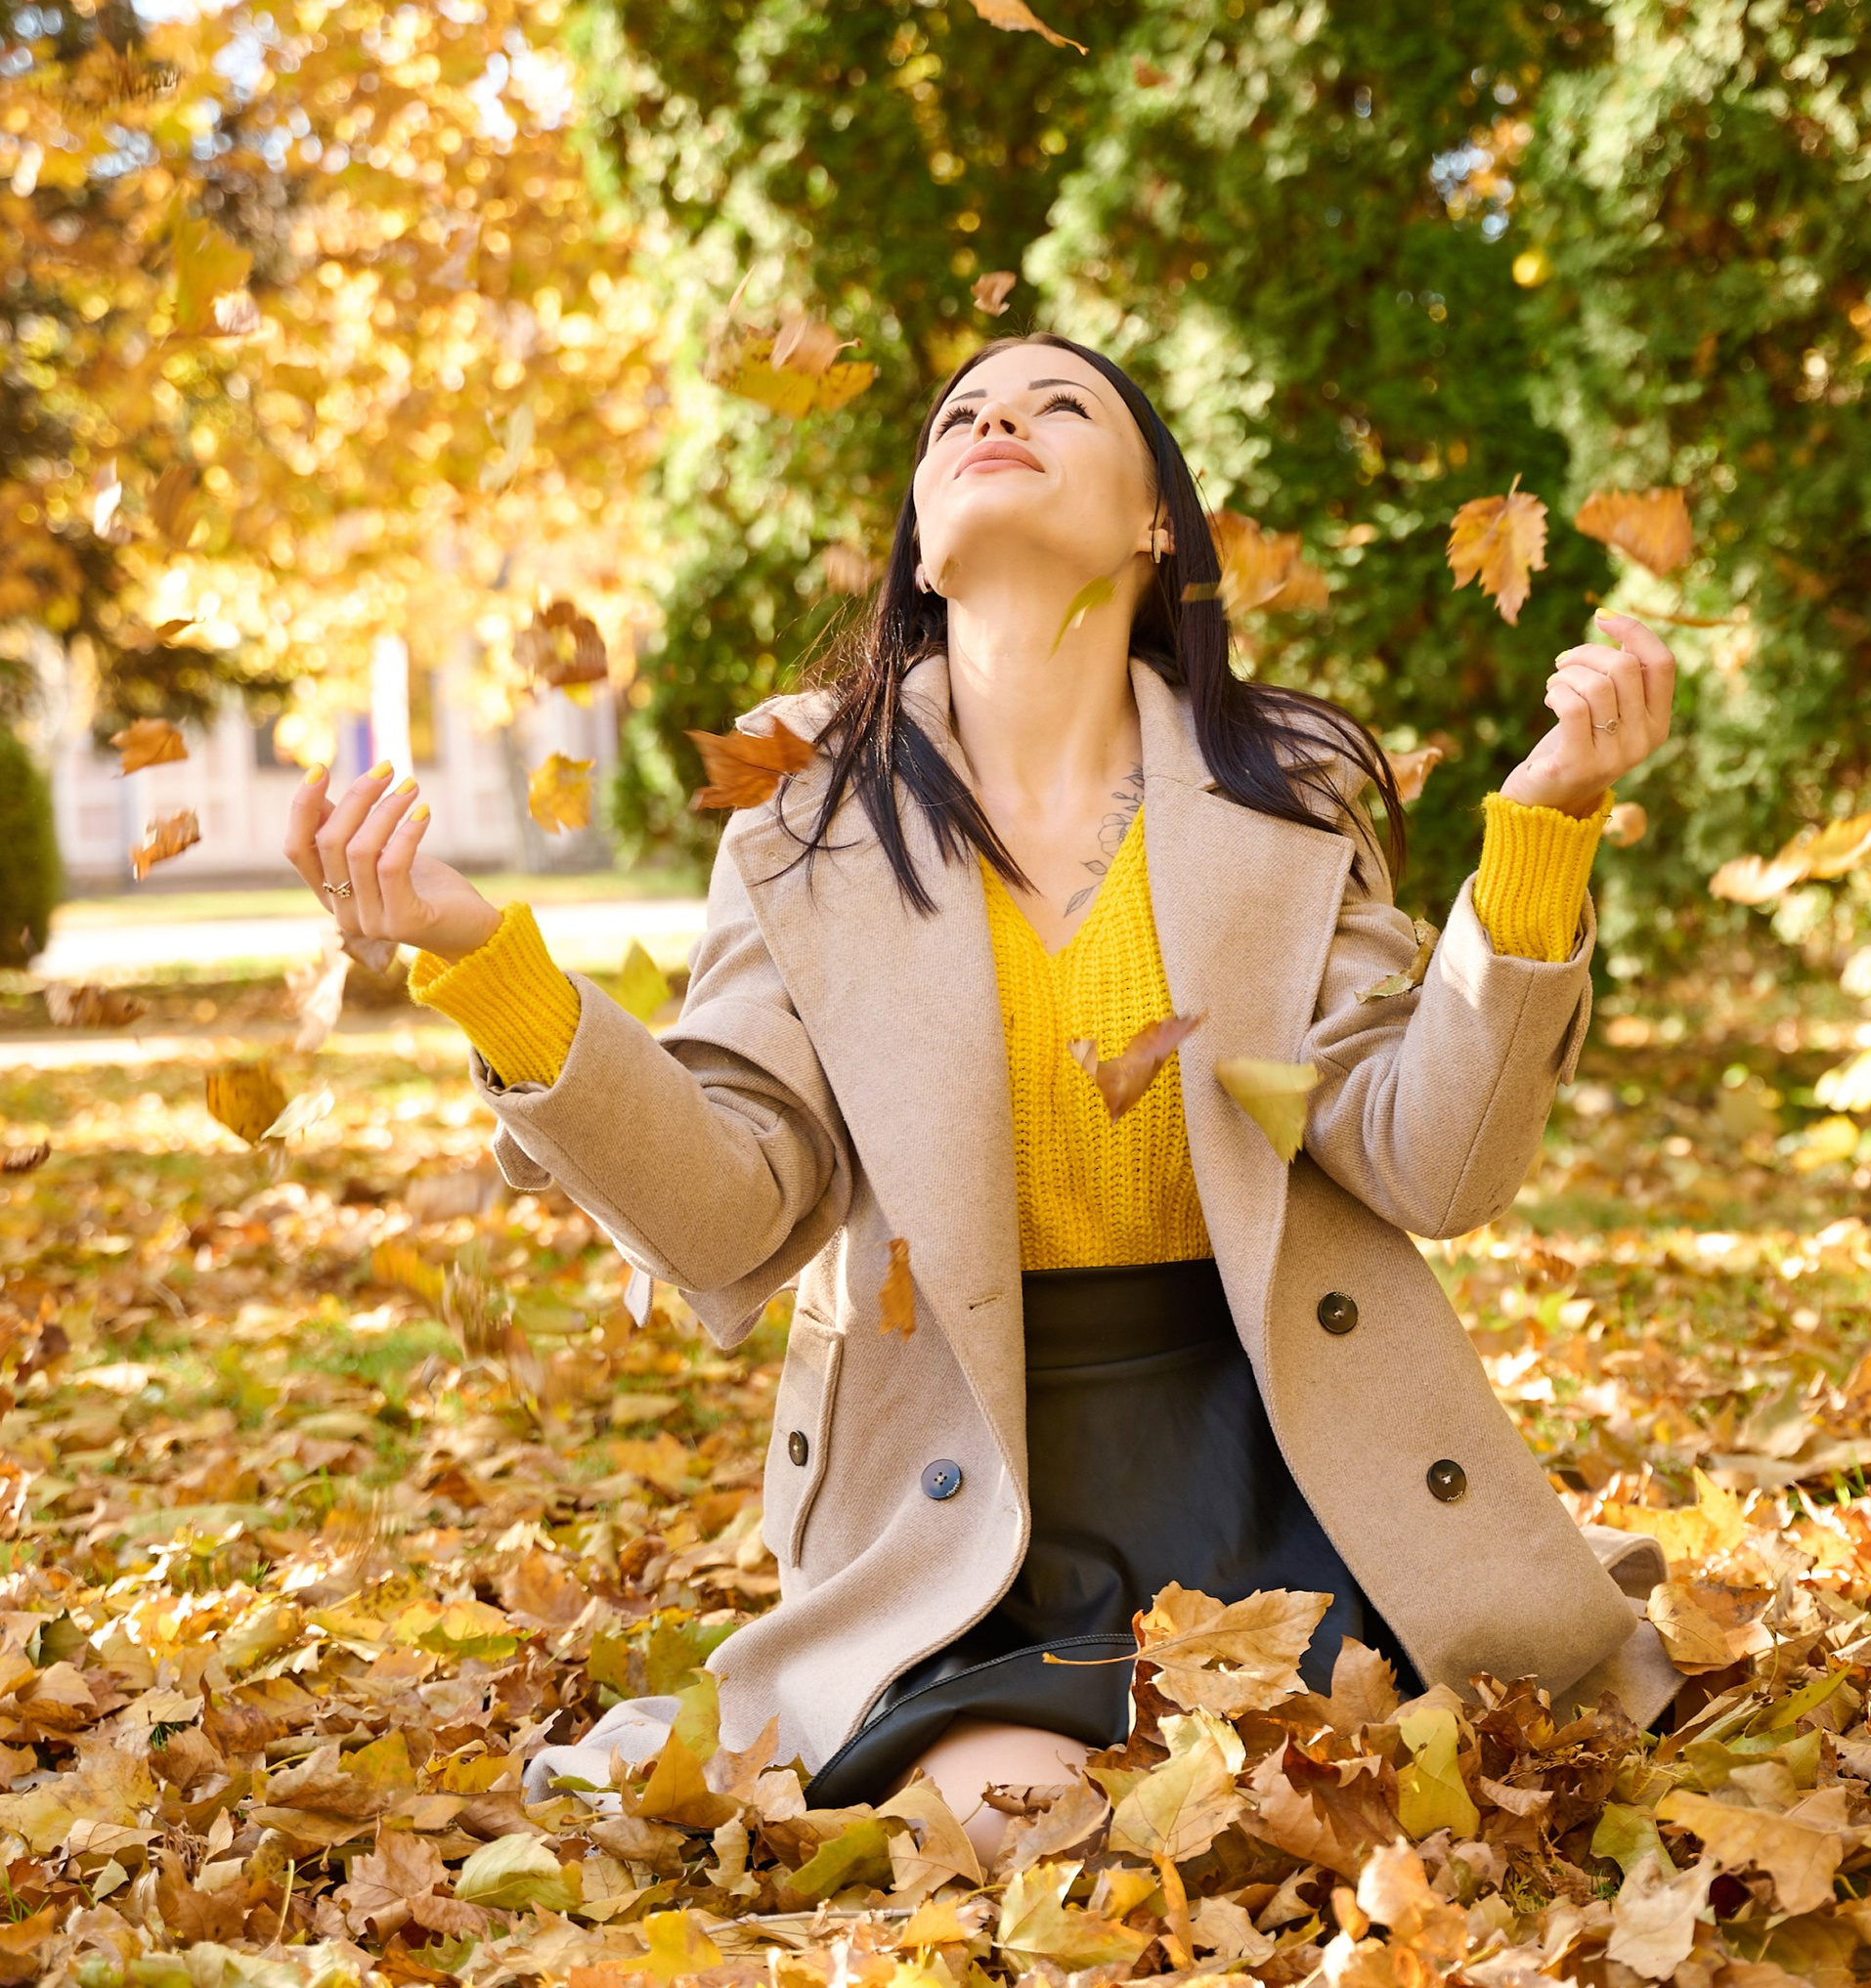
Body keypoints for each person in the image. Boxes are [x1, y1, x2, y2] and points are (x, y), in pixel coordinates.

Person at [284, 336, 1679, 1857]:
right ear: (924, 550)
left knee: (1362, 1802)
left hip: (1279, 1462)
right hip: (962, 1503)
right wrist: (485, 960)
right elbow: (730, 1207)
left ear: (1158, 526)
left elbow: (1431, 1162)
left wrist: (1538, 841)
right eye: (961, 415)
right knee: (1028, 1821)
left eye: (1057, 403)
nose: (995, 417)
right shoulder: (805, 811)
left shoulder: (1283, 784)